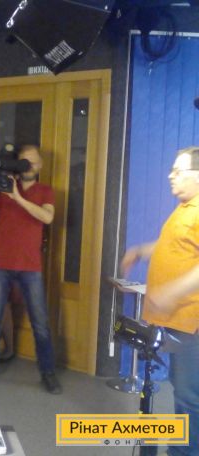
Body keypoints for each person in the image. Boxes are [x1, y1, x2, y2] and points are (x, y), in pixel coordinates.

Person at [121, 146, 199, 456]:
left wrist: (172, 292)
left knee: (190, 398)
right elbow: (174, 244)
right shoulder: (184, 208)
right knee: (182, 391)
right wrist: (142, 250)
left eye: (178, 171)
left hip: (190, 322)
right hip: (174, 321)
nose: (170, 175)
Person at [0, 145, 61, 394]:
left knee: (40, 324)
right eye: (24, 161)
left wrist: (17, 198)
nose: (29, 166)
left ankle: (47, 372)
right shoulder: (4, 187)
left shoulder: (45, 190)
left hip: (30, 266)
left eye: (33, 162)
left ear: (40, 165)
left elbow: (47, 217)